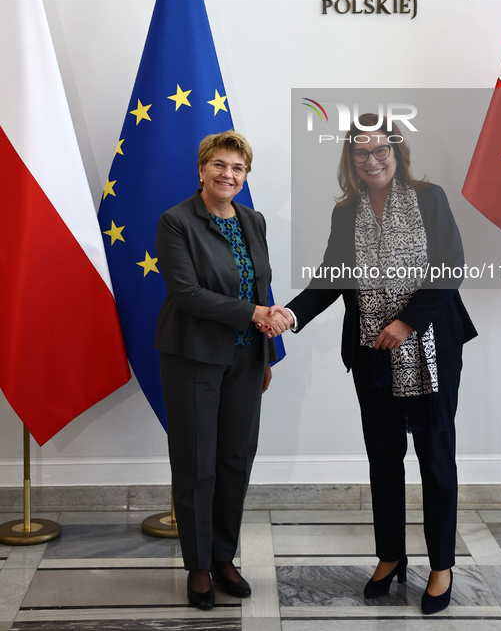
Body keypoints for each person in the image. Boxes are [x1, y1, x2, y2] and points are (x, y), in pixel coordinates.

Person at [267, 114, 477, 615]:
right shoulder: (347, 213)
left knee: (434, 456)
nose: (372, 159)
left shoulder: (431, 198)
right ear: (351, 161)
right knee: (383, 458)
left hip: (433, 349)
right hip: (372, 354)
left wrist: (407, 322)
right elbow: (330, 279)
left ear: (397, 153)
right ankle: (390, 557)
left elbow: (452, 265)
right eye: (361, 152)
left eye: (381, 149)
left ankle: (441, 565)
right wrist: (291, 314)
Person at [155, 130, 288, 611]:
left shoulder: (253, 220)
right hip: (192, 356)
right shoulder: (176, 222)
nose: (228, 175)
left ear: (245, 175)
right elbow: (187, 293)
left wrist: (266, 355)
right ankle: (198, 566)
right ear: (201, 170)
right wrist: (253, 315)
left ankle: (224, 557)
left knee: (236, 458)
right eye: (220, 165)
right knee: (196, 463)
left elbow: (262, 286)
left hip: (246, 359)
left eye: (237, 168)